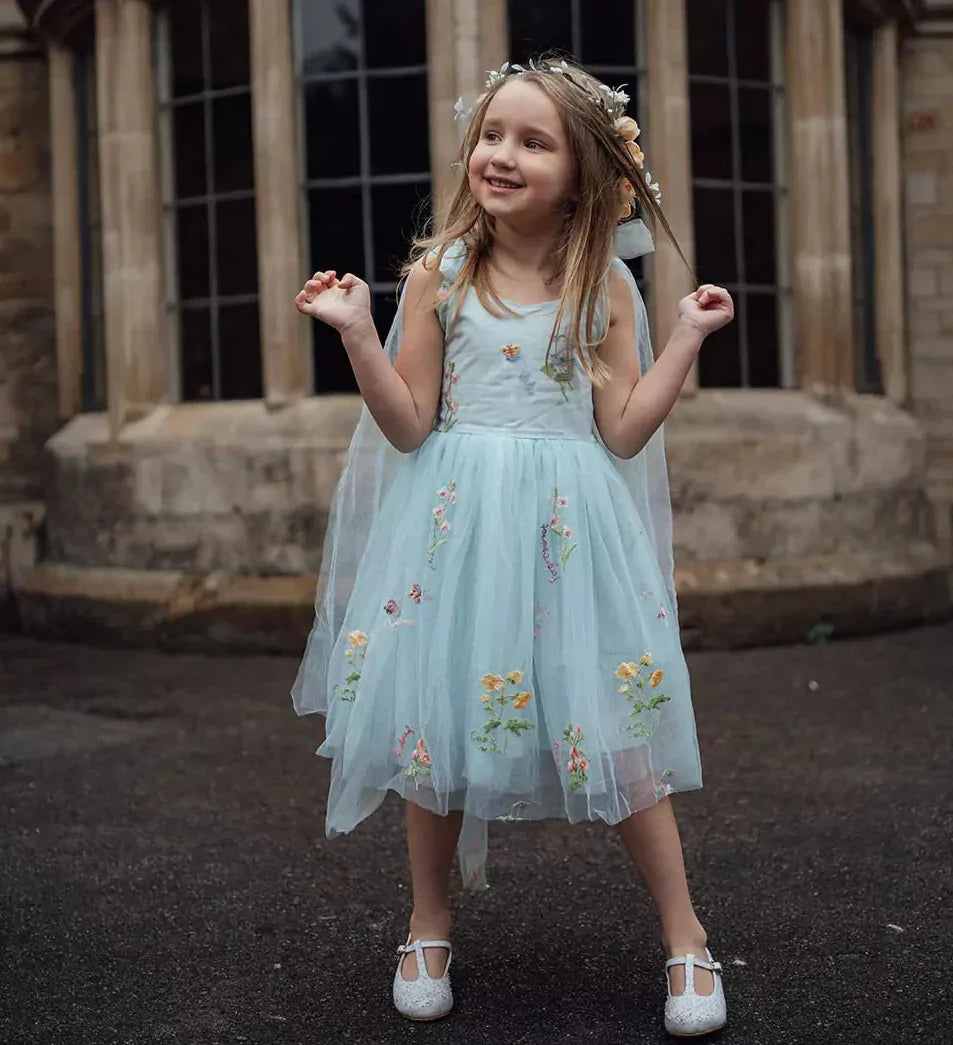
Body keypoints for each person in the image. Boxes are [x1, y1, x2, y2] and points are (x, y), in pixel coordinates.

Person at [291, 57, 735, 1036]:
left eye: (533, 142)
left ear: (580, 174)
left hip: (568, 536)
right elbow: (408, 423)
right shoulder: (441, 274)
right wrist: (359, 332)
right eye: (494, 134)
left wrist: (684, 342)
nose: (502, 154)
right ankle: (426, 924)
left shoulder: (604, 285)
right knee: (435, 729)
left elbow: (619, 432)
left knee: (615, 730)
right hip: (455, 533)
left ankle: (686, 935)